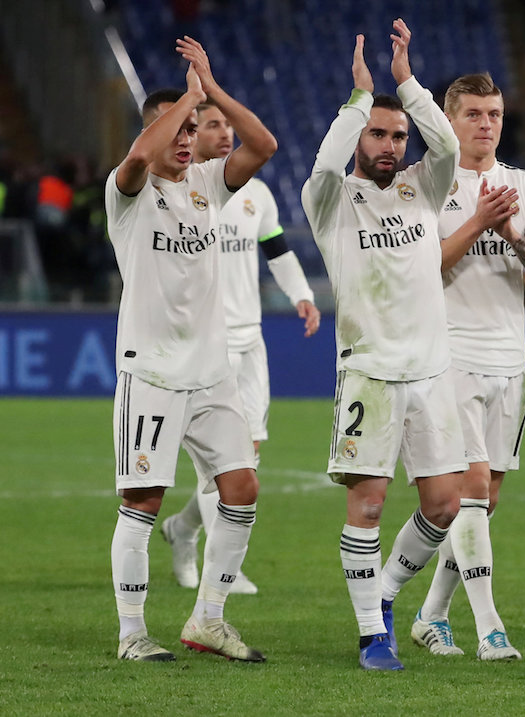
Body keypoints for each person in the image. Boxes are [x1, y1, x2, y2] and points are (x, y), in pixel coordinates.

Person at [301, 19, 465, 672]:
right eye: (380, 132)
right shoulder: (332, 201)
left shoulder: (421, 188)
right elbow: (320, 162)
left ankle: (387, 592)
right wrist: (361, 98)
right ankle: (373, 632)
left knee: (445, 504)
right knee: (366, 502)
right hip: (369, 372)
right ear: (362, 134)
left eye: (399, 134)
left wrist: (407, 83)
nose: (392, 143)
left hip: (432, 372)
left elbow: (447, 145)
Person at [106, 36, 276, 662]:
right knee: (143, 502)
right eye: (175, 129)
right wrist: (184, 104)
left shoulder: (208, 183)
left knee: (241, 489)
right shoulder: (125, 193)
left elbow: (263, 145)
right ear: (153, 133)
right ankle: (132, 633)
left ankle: (208, 619)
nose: (185, 140)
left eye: (192, 129)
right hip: (150, 372)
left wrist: (210, 91)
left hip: (211, 374)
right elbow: (139, 156)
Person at [409, 73, 525, 661]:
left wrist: (509, 232)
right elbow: (418, 269)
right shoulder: (426, 182)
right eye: (473, 113)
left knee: (485, 499)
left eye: (494, 113)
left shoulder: (524, 184)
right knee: (472, 489)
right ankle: (491, 629)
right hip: (449, 355)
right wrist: (477, 223)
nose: (485, 123)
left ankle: (430, 613)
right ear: (449, 121)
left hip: (509, 359)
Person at [160, 99, 321, 596]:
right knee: (217, 465)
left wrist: (303, 295)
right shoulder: (179, 190)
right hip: (203, 347)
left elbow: (277, 249)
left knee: (243, 463)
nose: (225, 133)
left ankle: (182, 529)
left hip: (250, 343)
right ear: (192, 132)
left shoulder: (256, 195)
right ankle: (219, 574)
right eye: (213, 125)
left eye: (228, 124)